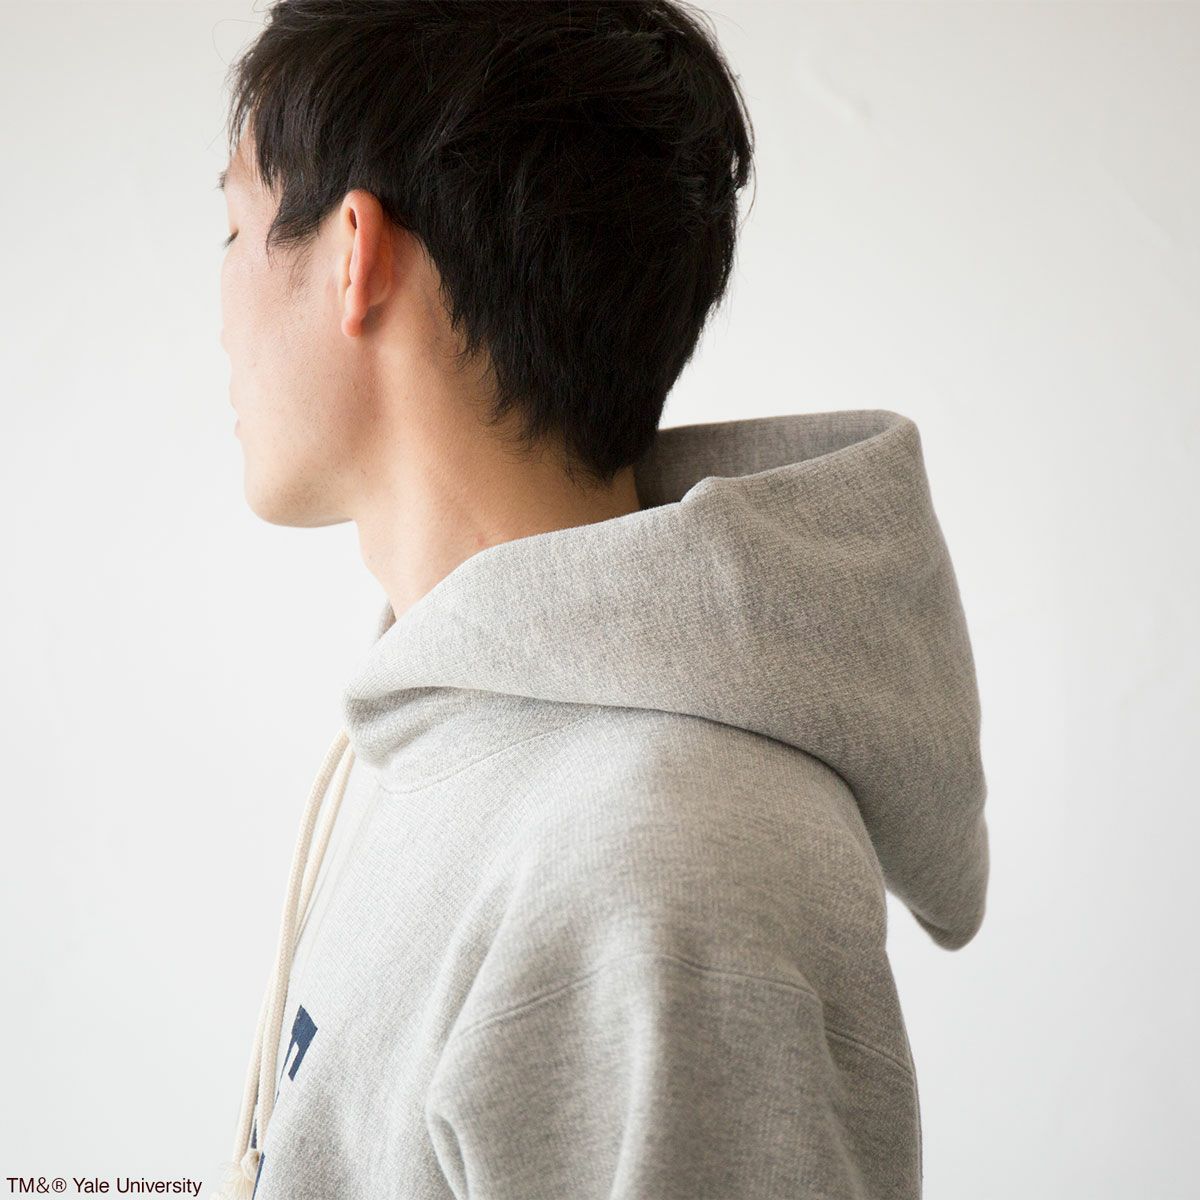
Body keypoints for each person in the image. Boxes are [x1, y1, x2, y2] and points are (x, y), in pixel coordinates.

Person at [212, 2, 989, 1198]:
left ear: (355, 255)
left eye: (234, 225)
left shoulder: (668, 860)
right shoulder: (468, 745)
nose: (218, 305)